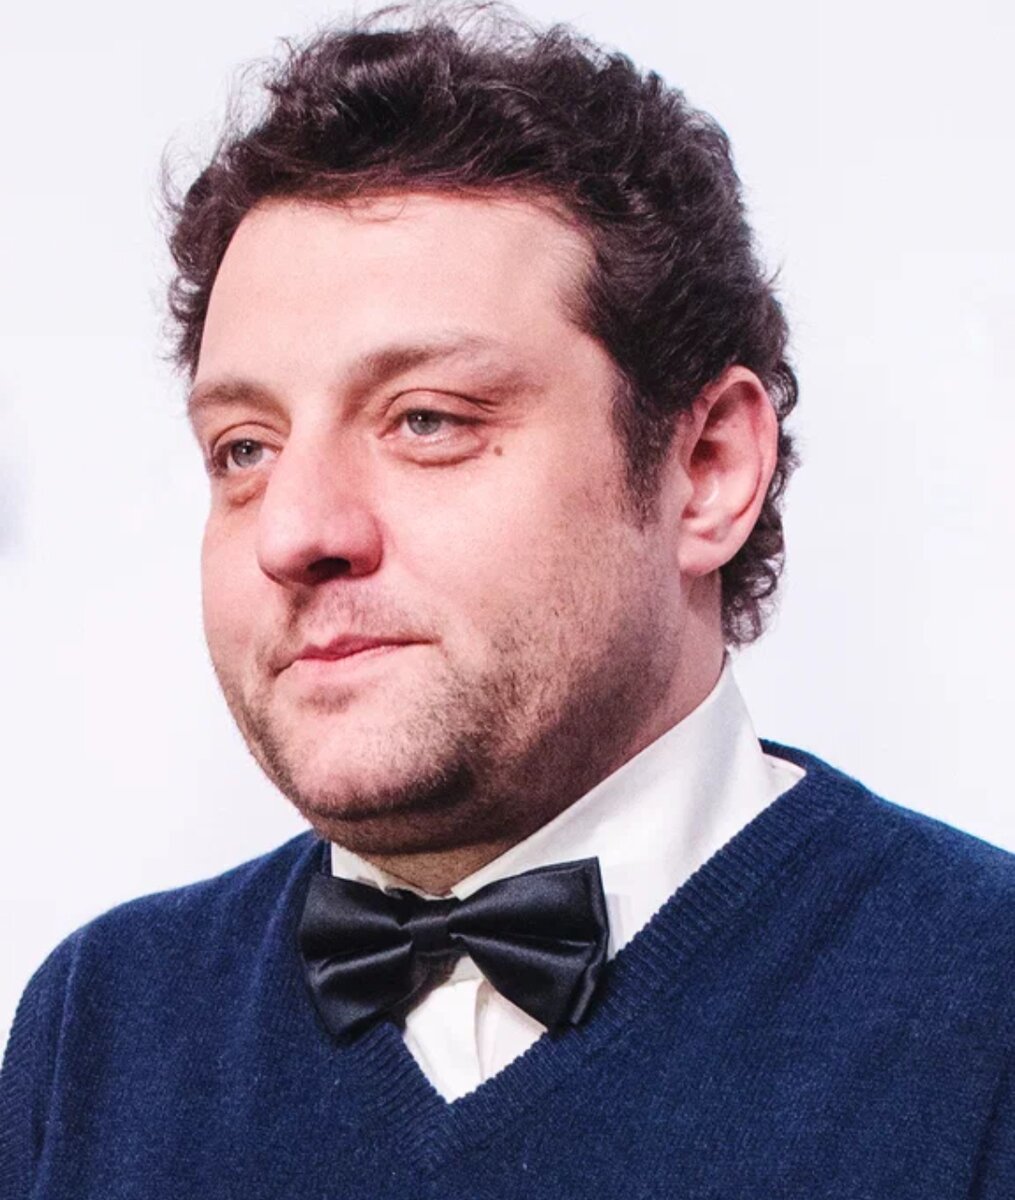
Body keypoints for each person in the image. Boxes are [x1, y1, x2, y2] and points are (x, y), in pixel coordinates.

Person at [1, 8, 1012, 1198]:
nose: (295, 532)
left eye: (427, 419)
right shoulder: (97, 1026)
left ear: (706, 472)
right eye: (244, 448)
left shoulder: (986, 1008)